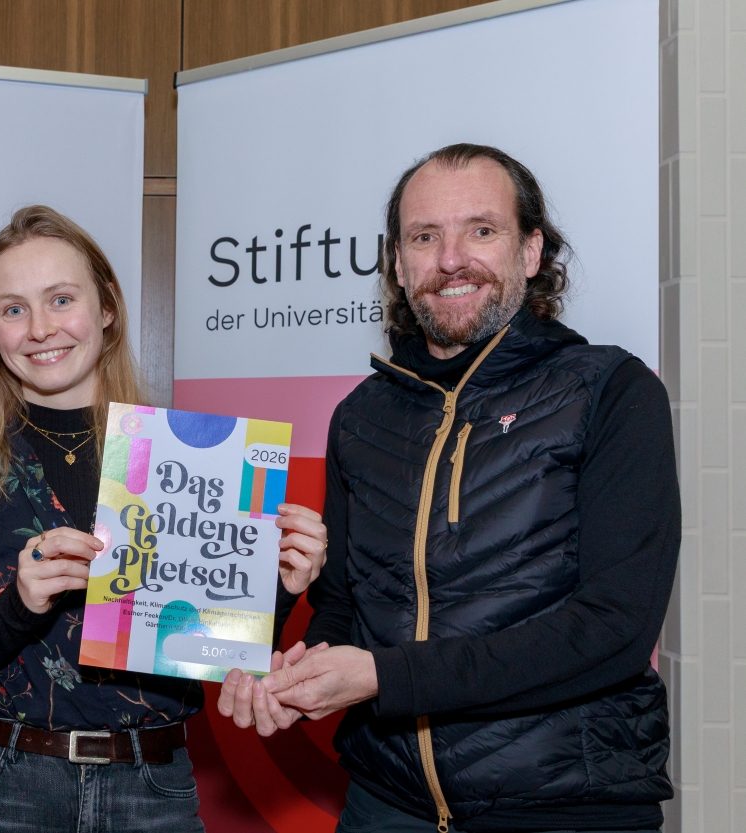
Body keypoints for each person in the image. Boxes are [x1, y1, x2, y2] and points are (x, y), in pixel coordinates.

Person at [218, 144, 679, 832]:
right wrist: (297, 679)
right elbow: (343, 606)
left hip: (564, 809)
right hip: (385, 805)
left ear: (531, 250)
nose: (452, 259)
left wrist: (385, 677)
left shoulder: (611, 391)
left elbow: (615, 628)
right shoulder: (361, 417)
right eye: (424, 237)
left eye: (481, 230)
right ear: (399, 265)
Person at [0, 204, 328, 832]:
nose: (40, 329)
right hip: (0, 792)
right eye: (13, 309)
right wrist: (17, 607)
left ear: (107, 308)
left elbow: (211, 647)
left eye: (61, 299)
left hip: (152, 791)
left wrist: (275, 588)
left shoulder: (184, 459)